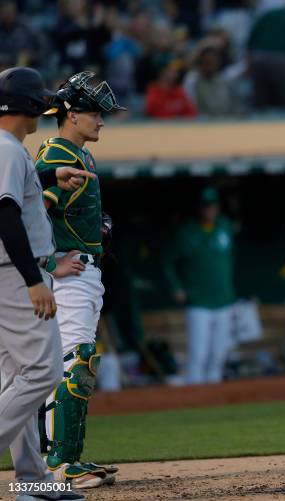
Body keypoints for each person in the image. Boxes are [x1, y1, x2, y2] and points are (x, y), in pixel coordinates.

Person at [0, 65, 94, 501]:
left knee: (17, 377)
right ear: (23, 105)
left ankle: (33, 485)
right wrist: (34, 279)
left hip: (11, 274)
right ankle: (32, 485)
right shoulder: (6, 147)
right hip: (16, 275)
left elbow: (16, 193)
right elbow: (4, 215)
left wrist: (47, 177)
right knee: (43, 372)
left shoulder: (12, 150)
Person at [36, 71, 124, 489]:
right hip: (67, 276)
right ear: (70, 114)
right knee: (78, 360)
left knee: (62, 364)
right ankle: (62, 464)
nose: (101, 121)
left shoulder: (80, 154)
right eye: (94, 113)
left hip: (83, 271)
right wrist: (51, 263)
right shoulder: (56, 155)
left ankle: (49, 463)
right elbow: (27, 213)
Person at [163, 188, 236, 384]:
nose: (208, 211)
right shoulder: (186, 232)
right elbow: (167, 263)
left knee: (219, 354)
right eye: (205, 207)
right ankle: (194, 396)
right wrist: (176, 287)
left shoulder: (225, 226)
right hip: (198, 301)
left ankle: (214, 398)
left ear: (217, 208)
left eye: (211, 206)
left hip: (224, 299)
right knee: (199, 353)